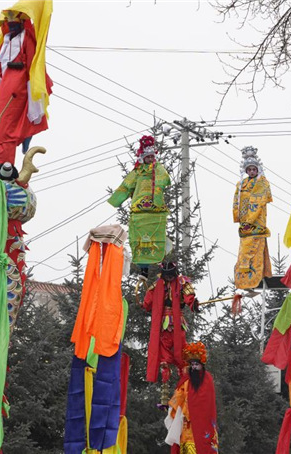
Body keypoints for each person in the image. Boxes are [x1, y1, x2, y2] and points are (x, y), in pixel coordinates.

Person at [0, 2, 54, 169]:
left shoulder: (26, 37)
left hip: (18, 87)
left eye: (14, 17)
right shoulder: (5, 40)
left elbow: (33, 63)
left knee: (9, 126)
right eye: (8, 17)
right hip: (4, 86)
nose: (10, 21)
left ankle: (5, 163)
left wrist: (31, 89)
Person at [108, 135, 171, 279]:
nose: (150, 159)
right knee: (139, 241)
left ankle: (162, 267)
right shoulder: (137, 173)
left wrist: (157, 169)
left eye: (151, 157)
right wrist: (116, 200)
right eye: (147, 157)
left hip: (156, 211)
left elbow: (166, 179)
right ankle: (144, 271)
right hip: (139, 212)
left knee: (157, 239)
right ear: (143, 157)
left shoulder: (158, 170)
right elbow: (126, 186)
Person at [143, 262, 197, 385]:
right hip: (164, 322)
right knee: (164, 348)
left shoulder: (182, 282)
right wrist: (145, 304)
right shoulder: (158, 284)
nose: (169, 278)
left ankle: (185, 378)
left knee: (182, 347)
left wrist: (193, 303)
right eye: (166, 276)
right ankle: (165, 376)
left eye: (171, 275)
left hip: (178, 320)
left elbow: (189, 296)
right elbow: (148, 300)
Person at [164, 342, 219, 454]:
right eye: (192, 365)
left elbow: (208, 402)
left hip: (203, 421)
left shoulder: (208, 379)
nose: (194, 367)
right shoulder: (186, 380)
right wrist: (171, 407)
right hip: (187, 423)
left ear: (202, 364)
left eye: (196, 364)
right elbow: (179, 395)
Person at [233, 146, 273, 296]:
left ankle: (256, 279)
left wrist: (250, 219)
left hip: (256, 224)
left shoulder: (262, 182)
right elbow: (236, 201)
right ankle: (245, 282)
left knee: (256, 251)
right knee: (244, 252)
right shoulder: (241, 184)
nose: (251, 172)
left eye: (253, 169)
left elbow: (259, 201)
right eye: (248, 170)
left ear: (257, 170)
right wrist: (240, 218)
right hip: (245, 226)